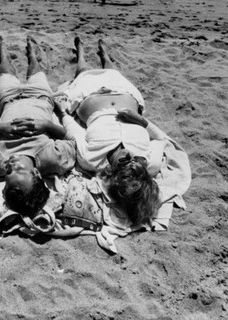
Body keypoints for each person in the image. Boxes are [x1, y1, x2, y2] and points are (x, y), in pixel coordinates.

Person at [55, 37, 165, 225]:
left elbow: (75, 133)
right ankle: (104, 54)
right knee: (113, 71)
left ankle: (80, 52)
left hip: (90, 95)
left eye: (123, 161)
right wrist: (141, 121)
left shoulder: (92, 160)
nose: (129, 153)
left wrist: (62, 112)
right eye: (135, 160)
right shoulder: (151, 164)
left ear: (112, 173)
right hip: (126, 94)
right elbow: (160, 139)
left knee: (83, 71)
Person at [0, 36, 76, 218]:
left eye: (8, 172)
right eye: (18, 169)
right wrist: (47, 125)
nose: (10, 165)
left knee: (6, 72)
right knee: (35, 70)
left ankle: (2, 52)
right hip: (40, 98)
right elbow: (71, 141)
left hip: (9, 100)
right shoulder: (52, 160)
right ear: (36, 173)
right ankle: (32, 54)